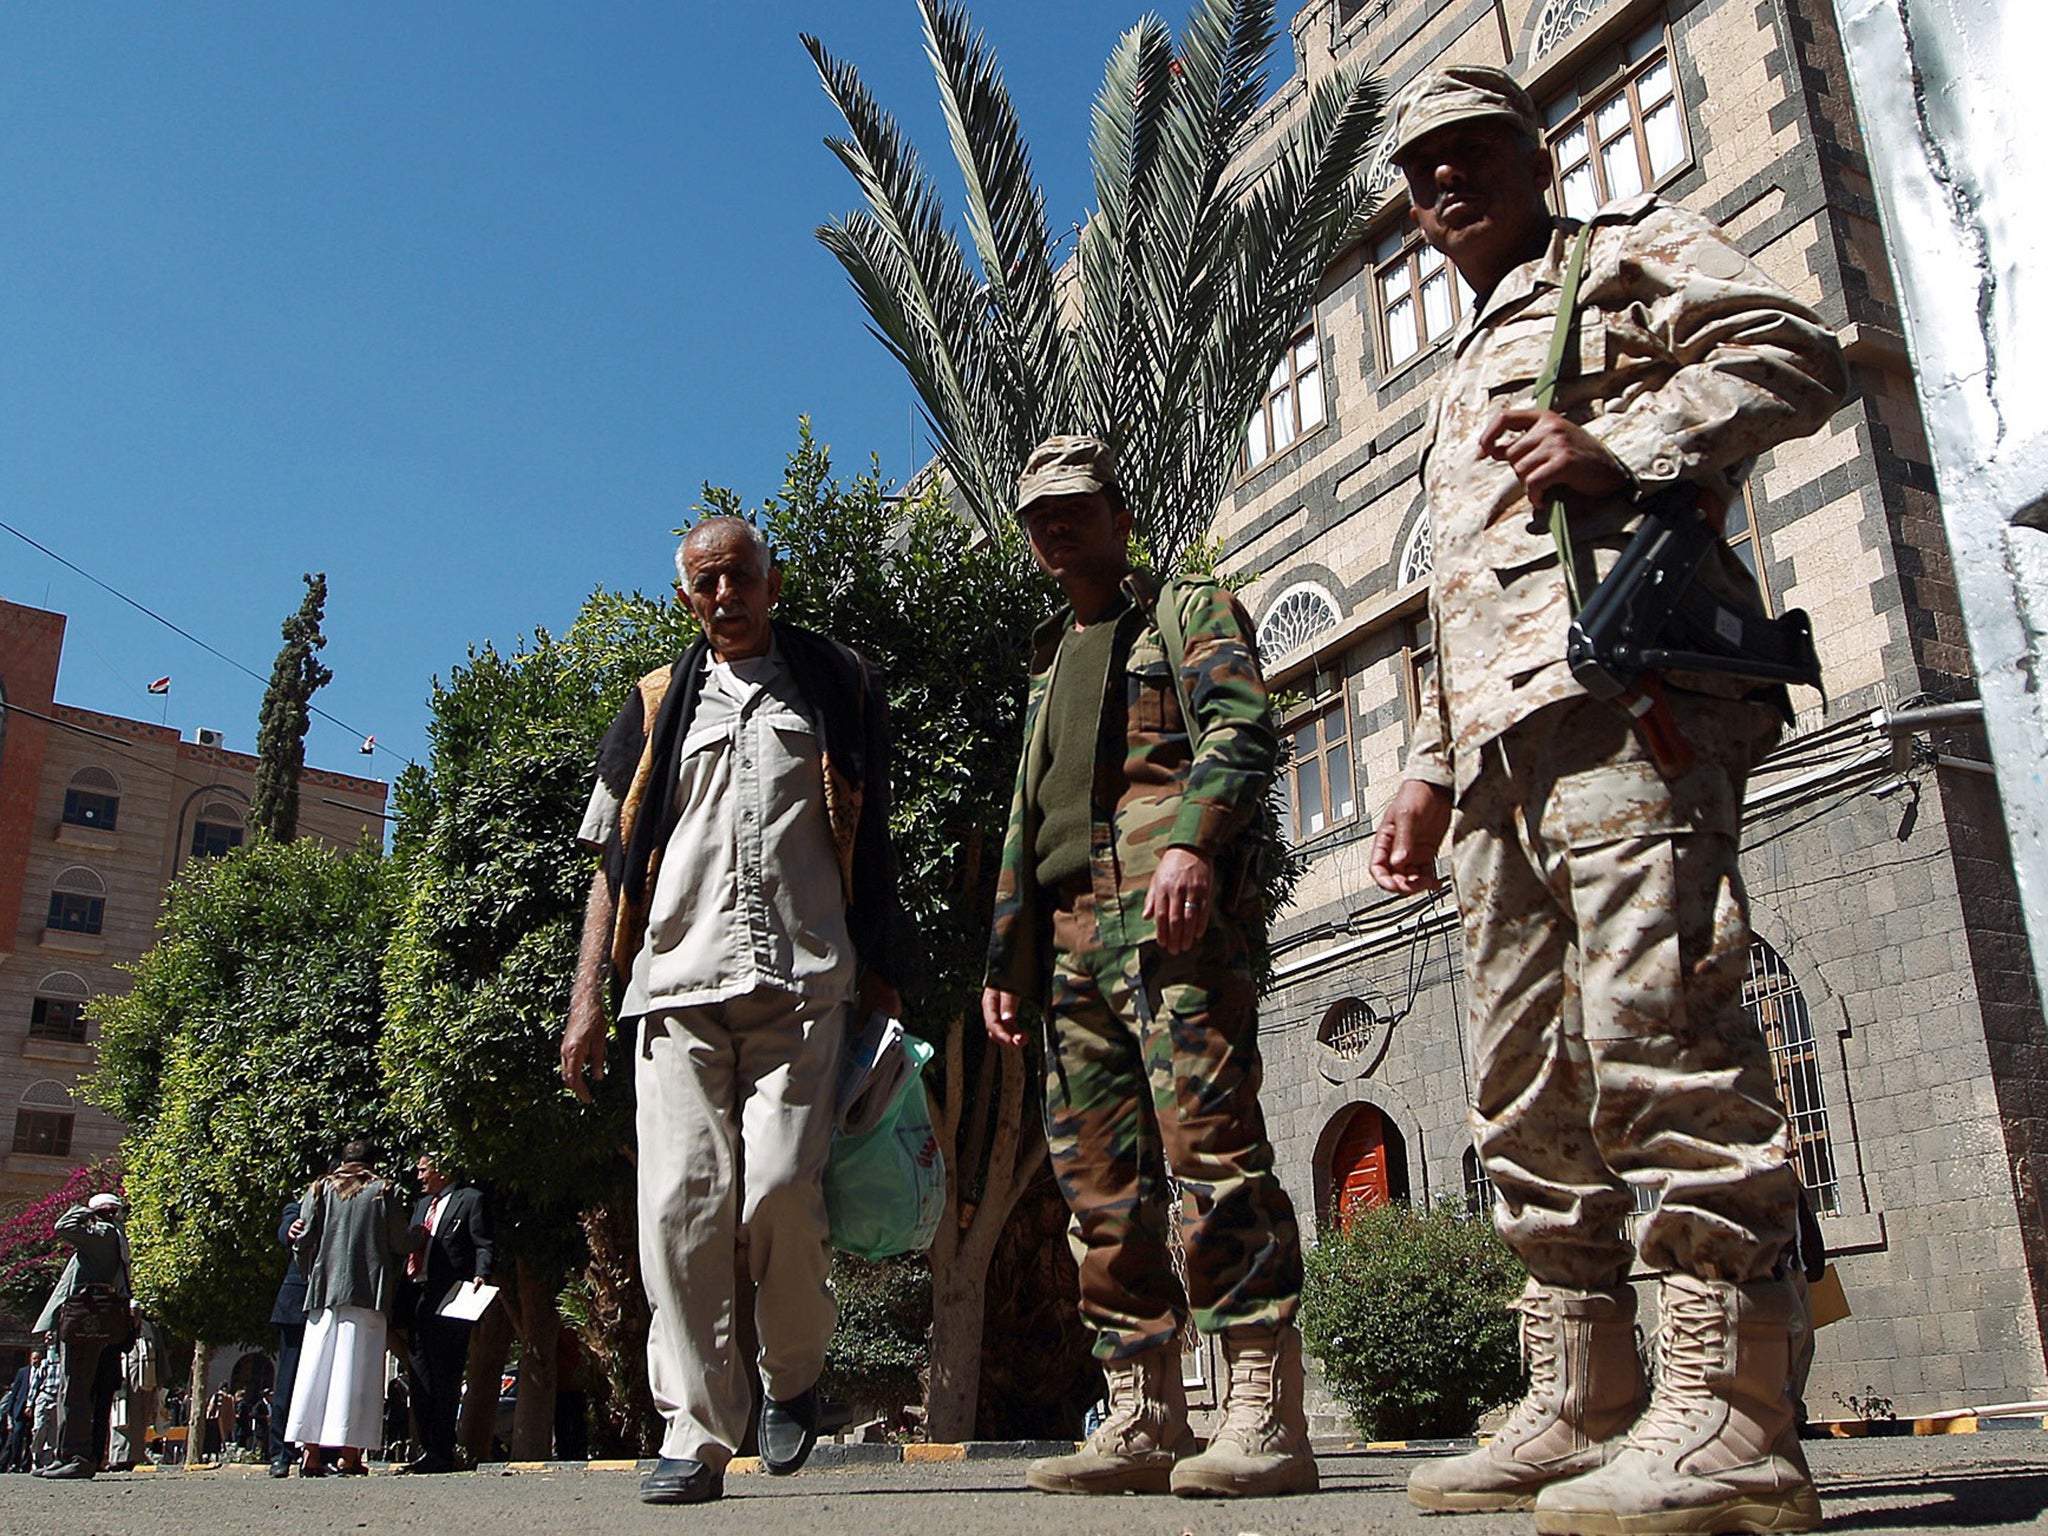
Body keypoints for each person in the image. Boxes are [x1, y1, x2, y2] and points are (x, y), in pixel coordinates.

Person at [1364, 66, 1847, 1536]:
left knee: (1660, 1031)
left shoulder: (1621, 256)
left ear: (1531, 157)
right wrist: (1431, 763)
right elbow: (1457, 594)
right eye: (1421, 173)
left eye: (1470, 156)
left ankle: (1734, 1411)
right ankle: (1579, 1389)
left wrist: (1626, 445)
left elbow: (1797, 352)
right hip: (1502, 749)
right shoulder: (1459, 370)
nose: (1445, 187)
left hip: (1628, 705)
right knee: (1520, 1082)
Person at [563, 515, 921, 1506]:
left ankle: (794, 1377)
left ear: (771, 582)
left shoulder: (834, 686)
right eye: (706, 584)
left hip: (804, 989)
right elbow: (610, 864)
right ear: (687, 598)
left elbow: (876, 839)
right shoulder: (650, 707)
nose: (726, 597)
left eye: (741, 578)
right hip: (673, 993)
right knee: (679, 1207)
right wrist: (588, 993)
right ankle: (695, 1430)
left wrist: (885, 981)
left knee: (774, 1196)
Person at [982, 436, 1314, 1500]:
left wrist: (1191, 842)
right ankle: (1143, 1411)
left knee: (1213, 1154)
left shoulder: (1184, 609)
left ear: (1122, 518)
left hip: (1167, 926)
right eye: (1038, 513)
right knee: (1097, 1188)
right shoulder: (1046, 657)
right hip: (1068, 946)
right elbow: (1029, 820)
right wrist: (1008, 952)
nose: (1056, 526)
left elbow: (1243, 726)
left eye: (1076, 506)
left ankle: (1260, 1404)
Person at [284, 1140, 411, 1476]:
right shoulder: (385, 1190)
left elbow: (304, 1237)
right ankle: (349, 1454)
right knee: (359, 1374)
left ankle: (310, 1454)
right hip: (368, 1290)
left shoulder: (319, 1188)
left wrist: (309, 1270)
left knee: (316, 1370)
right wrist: (420, 1239)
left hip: (324, 1290)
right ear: (373, 1162)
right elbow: (400, 1242)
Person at [399, 1153, 494, 1474]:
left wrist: (482, 1272)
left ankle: (442, 1449)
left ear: (440, 1169)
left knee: (445, 1374)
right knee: (420, 1375)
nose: (419, 1176)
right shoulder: (422, 1206)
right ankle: (426, 1447)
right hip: (418, 1297)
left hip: (451, 1297)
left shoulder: (470, 1200)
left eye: (423, 1169)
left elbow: (482, 1242)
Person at [31, 1191, 134, 1478]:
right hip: (90, 1321)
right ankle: (65, 1456)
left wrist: (86, 1210)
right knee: (71, 1389)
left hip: (84, 1322)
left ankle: (75, 1456)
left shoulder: (102, 1234)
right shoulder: (112, 1235)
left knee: (76, 1389)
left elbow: (63, 1226)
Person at [267, 1196, 309, 1477]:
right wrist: (291, 1229)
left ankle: (318, 1453)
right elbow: (286, 1230)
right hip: (297, 1304)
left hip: (332, 1302)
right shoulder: (300, 1205)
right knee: (288, 1382)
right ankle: (280, 1454)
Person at [106, 1314, 163, 1470]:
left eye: (137, 1312)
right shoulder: (118, 1328)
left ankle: (136, 1455)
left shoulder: (150, 1330)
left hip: (145, 1382)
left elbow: (159, 1355)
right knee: (121, 1420)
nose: (134, 1316)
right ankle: (118, 1457)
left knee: (140, 1421)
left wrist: (159, 1382)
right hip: (122, 1384)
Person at [0, 1351, 35, 1472]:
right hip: (20, 1408)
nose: (36, 1361)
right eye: (34, 1358)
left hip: (34, 1408)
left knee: (32, 1437)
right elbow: (15, 1391)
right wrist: (10, 1409)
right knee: (17, 1434)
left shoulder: (43, 1371)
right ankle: (15, 1463)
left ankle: (26, 1464)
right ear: (30, 1358)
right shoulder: (23, 1372)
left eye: (38, 1359)